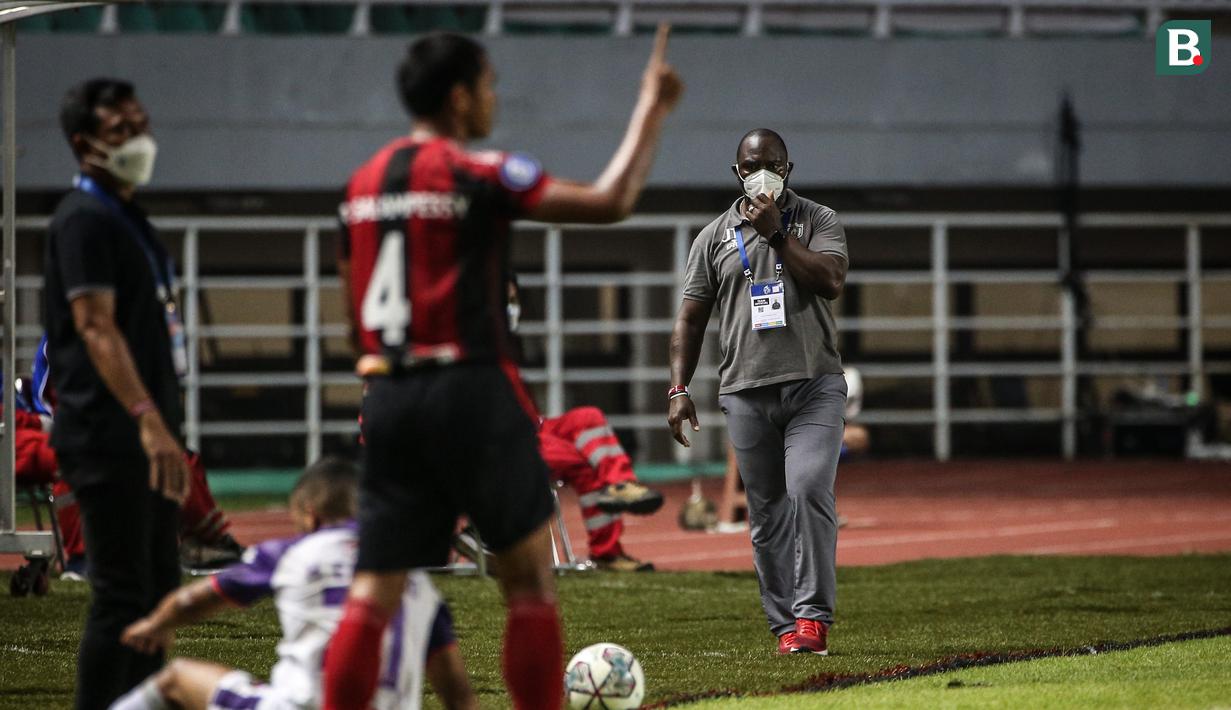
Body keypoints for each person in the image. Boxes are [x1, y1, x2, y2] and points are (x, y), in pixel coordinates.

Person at [323, 28, 681, 710]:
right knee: (526, 583)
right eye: (488, 86)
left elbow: (349, 319)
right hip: (472, 393)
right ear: (459, 98)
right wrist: (650, 111)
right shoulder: (479, 172)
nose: (494, 98)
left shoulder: (360, 187)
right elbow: (609, 202)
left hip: (388, 397)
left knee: (373, 593)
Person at [667, 129, 848, 656]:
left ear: (787, 169)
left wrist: (776, 236)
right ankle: (784, 625)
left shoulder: (818, 220)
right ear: (736, 172)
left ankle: (812, 618)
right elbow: (689, 319)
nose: (760, 172)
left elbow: (831, 280)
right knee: (765, 514)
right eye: (751, 166)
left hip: (814, 385)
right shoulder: (713, 237)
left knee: (809, 488)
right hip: (746, 392)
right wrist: (678, 386)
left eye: (770, 164)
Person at [110, 457, 476, 710]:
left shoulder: (292, 552)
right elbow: (459, 696)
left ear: (311, 517)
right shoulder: (415, 582)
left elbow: (196, 599)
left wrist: (156, 624)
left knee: (176, 679)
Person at [46, 78, 192, 709]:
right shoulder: (82, 219)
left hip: (145, 430)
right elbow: (95, 326)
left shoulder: (128, 216)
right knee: (122, 595)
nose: (138, 137)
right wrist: (147, 419)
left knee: (159, 590)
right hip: (110, 433)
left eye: (141, 122)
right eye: (119, 130)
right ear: (84, 144)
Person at [506, 275, 663, 571]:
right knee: (586, 462)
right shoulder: (471, 341)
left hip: (528, 425)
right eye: (505, 300)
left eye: (513, 301)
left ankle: (620, 484)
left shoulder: (503, 341)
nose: (510, 308)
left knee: (588, 417)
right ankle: (607, 552)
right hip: (499, 437)